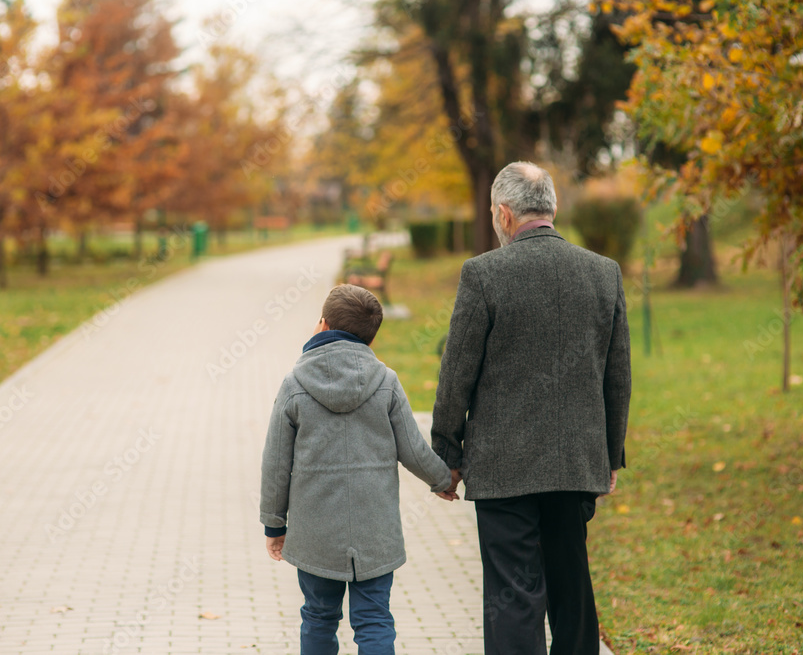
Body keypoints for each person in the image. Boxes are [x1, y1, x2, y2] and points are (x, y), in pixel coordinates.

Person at [431, 161, 632, 655]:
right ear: (552, 209)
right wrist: (609, 456)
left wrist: (446, 452)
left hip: (504, 468)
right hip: (575, 465)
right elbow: (617, 377)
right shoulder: (603, 272)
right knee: (572, 589)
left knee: (513, 596)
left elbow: (457, 374)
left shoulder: (483, 274)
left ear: (503, 214)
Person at [260, 283, 454, 655]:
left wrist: (274, 523)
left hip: (316, 532)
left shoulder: (295, 383)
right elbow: (413, 449)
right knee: (375, 619)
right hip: (375, 531)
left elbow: (275, 462)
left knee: (318, 616)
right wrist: (443, 479)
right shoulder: (386, 381)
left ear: (322, 324)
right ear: (371, 336)